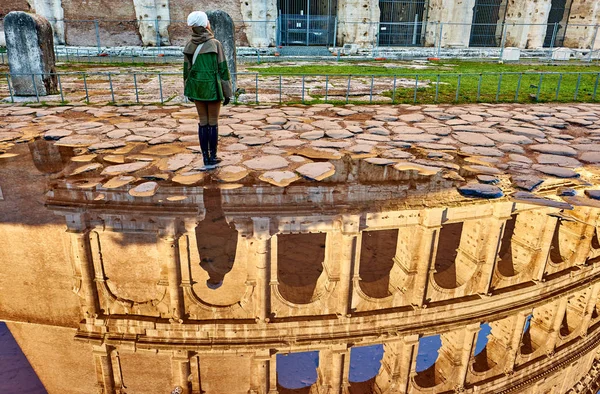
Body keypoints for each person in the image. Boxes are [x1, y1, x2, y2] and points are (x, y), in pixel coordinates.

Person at [183, 11, 233, 166]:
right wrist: (227, 92)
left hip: (197, 88)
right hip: (213, 88)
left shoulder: (189, 45)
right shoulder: (215, 44)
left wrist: (188, 90)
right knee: (213, 122)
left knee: (202, 121)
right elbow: (223, 69)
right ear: (205, 24)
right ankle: (213, 156)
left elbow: (186, 71)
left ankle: (205, 156)